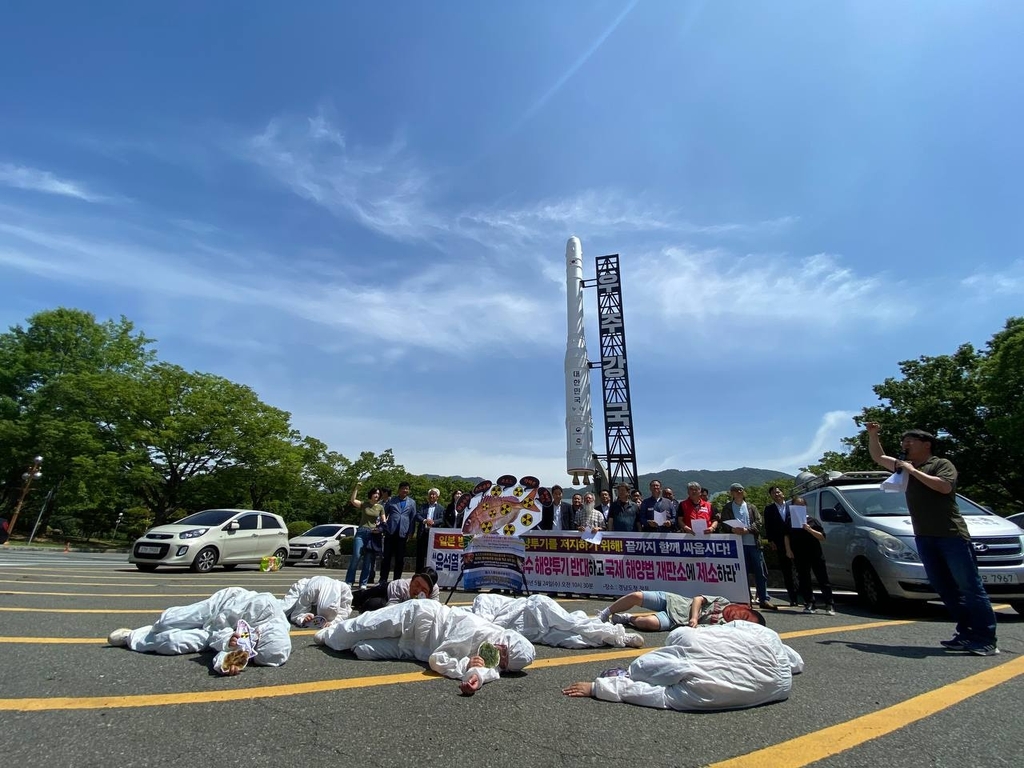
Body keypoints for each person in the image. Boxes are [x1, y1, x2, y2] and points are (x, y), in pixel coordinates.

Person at [866, 422, 998, 655]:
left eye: (911, 441)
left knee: (970, 587)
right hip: (924, 536)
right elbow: (878, 457)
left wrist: (914, 471)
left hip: (951, 535)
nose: (905, 445)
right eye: (904, 441)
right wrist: (873, 435)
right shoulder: (903, 466)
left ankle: (986, 638)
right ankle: (966, 633)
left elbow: (944, 488)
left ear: (926, 445)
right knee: (945, 587)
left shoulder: (940, 464)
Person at [561, 620, 804, 711]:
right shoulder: (770, 643)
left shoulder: (695, 689)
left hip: (696, 654)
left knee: (646, 663)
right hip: (777, 686)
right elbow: (795, 661)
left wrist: (597, 688)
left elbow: (656, 695)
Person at [314, 597, 535, 694]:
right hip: (418, 617)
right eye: (503, 652)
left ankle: (343, 640)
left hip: (413, 648)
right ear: (505, 640)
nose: (497, 657)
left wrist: (474, 678)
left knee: (362, 651)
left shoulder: (492, 659)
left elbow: (486, 672)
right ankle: (328, 633)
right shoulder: (478, 628)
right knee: (364, 627)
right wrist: (465, 665)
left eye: (504, 663)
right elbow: (438, 660)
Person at [106, 587, 291, 675]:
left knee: (173, 643)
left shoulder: (273, 646)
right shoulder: (263, 605)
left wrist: (226, 662)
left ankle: (130, 636)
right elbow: (219, 623)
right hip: (221, 608)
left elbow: (226, 650)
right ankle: (149, 629)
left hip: (222, 633)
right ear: (261, 634)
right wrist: (228, 638)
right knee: (167, 621)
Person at [470, 593, 644, 649]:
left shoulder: (481, 599)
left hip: (534, 609)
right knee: (570, 641)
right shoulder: (467, 617)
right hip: (530, 632)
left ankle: (617, 634)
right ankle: (613, 639)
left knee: (572, 624)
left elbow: (482, 625)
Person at [720, 483, 777, 610]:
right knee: (742, 574)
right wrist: (732, 529)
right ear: (732, 493)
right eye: (736, 490)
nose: (739, 492)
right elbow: (724, 523)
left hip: (753, 543)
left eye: (741, 489)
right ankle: (746, 599)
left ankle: (764, 599)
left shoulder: (751, 507)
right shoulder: (728, 508)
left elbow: (759, 522)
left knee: (760, 572)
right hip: (738, 545)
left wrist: (747, 530)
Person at [596, 590, 763, 631]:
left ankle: (627, 618)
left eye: (745, 622)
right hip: (675, 601)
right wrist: (695, 618)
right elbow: (698, 598)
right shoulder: (724, 601)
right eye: (745, 615)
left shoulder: (725, 627)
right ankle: (605, 613)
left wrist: (694, 624)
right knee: (636, 596)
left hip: (677, 621)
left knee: (645, 623)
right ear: (746, 608)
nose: (740, 618)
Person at [783, 497, 834, 615]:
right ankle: (810, 602)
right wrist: (788, 550)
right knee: (804, 579)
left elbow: (822, 537)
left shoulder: (812, 521)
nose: (798, 508)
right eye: (796, 505)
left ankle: (829, 604)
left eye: (801, 505)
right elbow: (786, 536)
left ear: (805, 507)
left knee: (822, 578)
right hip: (800, 554)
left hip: (815, 553)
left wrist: (809, 529)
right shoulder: (790, 521)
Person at [764, 485, 799, 606]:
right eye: (773, 493)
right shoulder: (769, 509)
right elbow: (768, 527)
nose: (776, 494)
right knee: (786, 571)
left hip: (796, 541)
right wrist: (771, 541)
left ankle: (806, 597)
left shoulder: (792, 506)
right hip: (779, 543)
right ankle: (793, 598)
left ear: (783, 493)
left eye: (778, 492)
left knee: (801, 569)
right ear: (771, 496)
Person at [352, 568, 441, 612]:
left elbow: (435, 607)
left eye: (424, 589)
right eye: (417, 584)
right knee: (360, 598)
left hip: (400, 602)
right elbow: (391, 608)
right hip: (387, 589)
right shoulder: (401, 586)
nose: (418, 590)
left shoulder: (435, 590)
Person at [347, 482, 384, 587]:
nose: (376, 495)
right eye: (375, 493)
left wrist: (380, 528)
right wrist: (356, 488)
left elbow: (384, 521)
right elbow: (353, 500)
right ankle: (349, 581)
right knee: (356, 556)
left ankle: (363, 583)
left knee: (368, 560)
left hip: (372, 535)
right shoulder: (364, 504)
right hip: (361, 532)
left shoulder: (380, 507)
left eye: (378, 494)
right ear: (371, 494)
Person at [280, 576, 353, 626]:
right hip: (303, 587)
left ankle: (316, 611)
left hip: (315, 595)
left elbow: (345, 611)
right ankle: (270, 602)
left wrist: (333, 622)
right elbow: (297, 613)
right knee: (285, 609)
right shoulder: (310, 591)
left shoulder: (345, 590)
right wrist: (303, 618)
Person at [380, 481, 416, 582]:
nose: (405, 490)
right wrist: (383, 527)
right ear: (399, 489)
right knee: (386, 557)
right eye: (403, 488)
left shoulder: (412, 502)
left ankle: (397, 580)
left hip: (403, 533)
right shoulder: (391, 501)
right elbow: (383, 514)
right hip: (390, 532)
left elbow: (412, 518)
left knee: (399, 559)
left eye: (407, 489)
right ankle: (383, 579)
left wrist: (411, 532)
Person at [414, 487, 445, 573]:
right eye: (430, 494)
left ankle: (431, 574)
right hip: (423, 533)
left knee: (432, 555)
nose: (432, 496)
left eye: (434, 494)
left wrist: (433, 522)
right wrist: (425, 521)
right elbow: (417, 515)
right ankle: (418, 574)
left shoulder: (441, 508)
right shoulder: (423, 506)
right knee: (420, 555)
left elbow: (442, 519)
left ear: (437, 497)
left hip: (434, 535)